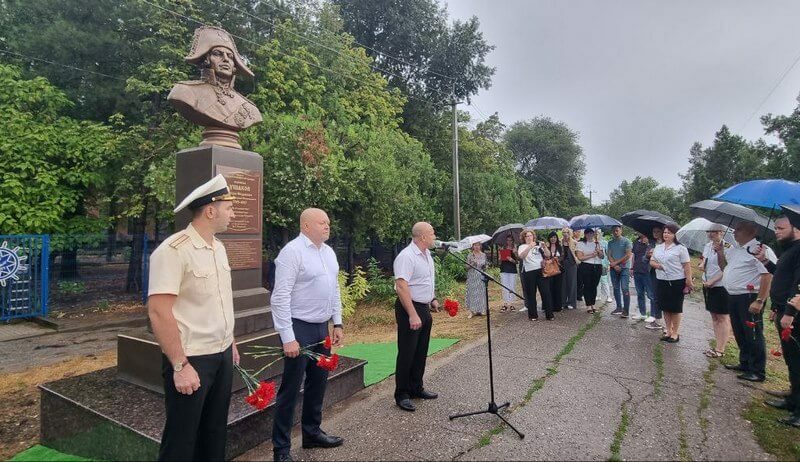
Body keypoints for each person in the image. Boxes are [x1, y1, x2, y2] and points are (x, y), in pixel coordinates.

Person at [147, 174, 239, 461]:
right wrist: (179, 365)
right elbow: (159, 311)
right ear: (211, 210)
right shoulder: (174, 250)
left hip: (221, 354)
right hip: (192, 359)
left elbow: (218, 301)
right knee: (182, 440)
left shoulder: (218, 247)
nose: (233, 214)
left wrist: (230, 342)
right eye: (229, 208)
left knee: (214, 434)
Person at [271, 208, 345, 461]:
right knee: (290, 389)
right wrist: (287, 336)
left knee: (318, 383)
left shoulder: (328, 252)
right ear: (305, 226)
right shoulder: (292, 253)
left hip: (320, 326)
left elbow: (334, 289)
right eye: (322, 222)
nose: (327, 226)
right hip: (298, 326)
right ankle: (281, 448)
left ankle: (312, 433)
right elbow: (280, 296)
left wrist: (338, 322)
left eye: (328, 222)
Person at [168, 26, 263, 148]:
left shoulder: (250, 108)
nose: (225, 59)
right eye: (217, 54)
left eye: (230, 56)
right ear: (206, 59)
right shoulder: (184, 92)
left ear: (234, 64)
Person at [755, 213, 800, 426]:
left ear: (796, 228)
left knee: (798, 361)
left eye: (781, 228)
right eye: (775, 228)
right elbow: (782, 276)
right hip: (784, 310)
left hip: (795, 315)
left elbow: (799, 284)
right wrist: (764, 260)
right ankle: (793, 399)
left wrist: (790, 312)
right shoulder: (790, 250)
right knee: (791, 360)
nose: (776, 231)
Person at [717, 221, 776, 382]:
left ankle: (757, 370)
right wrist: (721, 253)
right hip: (733, 295)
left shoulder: (761, 249)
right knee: (739, 330)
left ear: (752, 230)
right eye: (735, 229)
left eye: (739, 229)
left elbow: (767, 276)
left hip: (749, 296)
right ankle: (745, 362)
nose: (735, 232)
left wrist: (760, 300)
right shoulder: (736, 249)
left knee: (753, 333)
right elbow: (724, 268)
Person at [393, 222, 440, 412]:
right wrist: (412, 314)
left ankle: (416, 387)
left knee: (421, 351)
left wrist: (433, 298)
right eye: (432, 233)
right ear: (422, 237)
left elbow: (425, 281)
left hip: (424, 307)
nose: (434, 235)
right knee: (407, 352)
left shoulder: (427, 254)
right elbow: (401, 286)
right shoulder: (406, 256)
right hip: (409, 309)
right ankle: (402, 394)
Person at [650, 222, 693, 343]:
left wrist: (688, 280)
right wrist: (657, 265)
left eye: (669, 232)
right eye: (664, 232)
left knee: (675, 308)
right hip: (661, 280)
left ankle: (675, 332)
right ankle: (668, 330)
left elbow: (687, 265)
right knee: (665, 307)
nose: (666, 234)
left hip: (676, 281)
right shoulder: (658, 247)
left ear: (675, 234)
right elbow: (651, 261)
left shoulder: (680, 248)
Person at [699, 226, 731, 358]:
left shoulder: (728, 246)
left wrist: (713, 280)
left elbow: (728, 268)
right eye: (709, 231)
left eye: (714, 231)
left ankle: (721, 349)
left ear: (722, 232)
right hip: (707, 283)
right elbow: (706, 261)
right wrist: (702, 265)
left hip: (721, 285)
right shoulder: (707, 246)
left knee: (722, 317)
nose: (711, 234)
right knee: (714, 317)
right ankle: (717, 345)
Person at [519, 230, 554, 320]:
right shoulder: (522, 247)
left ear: (533, 237)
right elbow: (522, 256)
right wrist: (529, 247)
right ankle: (533, 315)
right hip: (529, 272)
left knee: (546, 292)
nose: (529, 238)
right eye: (527, 236)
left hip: (541, 270)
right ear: (524, 238)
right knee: (531, 294)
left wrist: (545, 247)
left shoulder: (538, 246)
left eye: (531, 236)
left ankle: (549, 314)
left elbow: (548, 255)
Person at [576, 227, 604, 314]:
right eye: (588, 234)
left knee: (594, 286)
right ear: (585, 235)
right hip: (586, 266)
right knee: (587, 285)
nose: (590, 235)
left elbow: (602, 257)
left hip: (597, 266)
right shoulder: (581, 244)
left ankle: (593, 304)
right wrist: (592, 255)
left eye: (591, 233)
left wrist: (599, 252)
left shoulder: (598, 243)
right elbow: (580, 257)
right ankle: (588, 305)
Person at [607, 225, 633, 318]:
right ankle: (619, 307)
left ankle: (626, 310)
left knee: (624, 288)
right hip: (614, 268)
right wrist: (613, 264)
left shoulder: (626, 241)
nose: (615, 232)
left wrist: (616, 263)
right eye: (613, 231)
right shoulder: (610, 242)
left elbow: (628, 255)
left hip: (624, 268)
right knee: (615, 288)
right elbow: (609, 254)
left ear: (621, 230)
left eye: (617, 230)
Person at [644, 226, 666, 331]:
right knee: (655, 296)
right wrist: (648, 255)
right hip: (653, 272)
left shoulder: (667, 244)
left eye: (658, 231)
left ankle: (666, 322)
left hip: (665, 272)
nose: (655, 233)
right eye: (654, 231)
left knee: (663, 296)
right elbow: (644, 259)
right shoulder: (651, 244)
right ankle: (657, 320)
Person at [631, 232, 654, 321]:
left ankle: (653, 315)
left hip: (647, 271)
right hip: (637, 270)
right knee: (640, 293)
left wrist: (648, 244)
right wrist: (632, 268)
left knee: (650, 294)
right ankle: (642, 313)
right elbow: (634, 256)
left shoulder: (652, 242)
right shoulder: (636, 242)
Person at [465, 242, 488, 318]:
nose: (477, 247)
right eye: (475, 245)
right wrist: (472, 264)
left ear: (480, 246)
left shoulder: (483, 255)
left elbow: (485, 266)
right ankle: (472, 311)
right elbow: (466, 267)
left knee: (480, 293)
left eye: (478, 245)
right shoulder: (470, 255)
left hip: (481, 276)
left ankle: (480, 310)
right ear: (473, 246)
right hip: (472, 276)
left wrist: (485, 266)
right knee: (472, 293)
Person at [498, 235, 520, 312]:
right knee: (504, 287)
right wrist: (500, 256)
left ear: (513, 241)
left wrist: (513, 258)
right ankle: (505, 304)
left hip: (512, 270)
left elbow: (517, 261)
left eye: (510, 240)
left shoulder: (514, 249)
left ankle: (512, 304)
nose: (509, 242)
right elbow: (500, 261)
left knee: (512, 287)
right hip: (504, 269)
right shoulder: (503, 249)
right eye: (507, 240)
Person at [545, 231, 565, 312]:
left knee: (558, 288)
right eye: (551, 237)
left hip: (558, 270)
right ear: (549, 238)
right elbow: (544, 256)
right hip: (549, 270)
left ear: (556, 238)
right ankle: (549, 306)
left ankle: (557, 306)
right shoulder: (546, 247)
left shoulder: (560, 247)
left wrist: (556, 259)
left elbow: (563, 257)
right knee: (549, 288)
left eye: (554, 237)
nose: (553, 239)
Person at [561, 227, 579, 310]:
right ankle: (563, 302)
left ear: (570, 233)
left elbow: (577, 254)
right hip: (562, 265)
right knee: (563, 284)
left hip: (572, 264)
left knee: (572, 283)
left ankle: (571, 302)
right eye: (564, 232)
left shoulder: (574, 242)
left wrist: (577, 260)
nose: (565, 234)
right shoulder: (560, 242)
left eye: (567, 232)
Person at [597, 230, 613, 304]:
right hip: (595, 264)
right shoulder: (592, 243)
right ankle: (598, 295)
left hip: (603, 264)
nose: (597, 235)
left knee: (604, 280)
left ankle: (608, 296)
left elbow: (608, 254)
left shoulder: (605, 243)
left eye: (598, 233)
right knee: (597, 281)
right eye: (595, 233)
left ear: (601, 234)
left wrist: (609, 264)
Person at [573, 229, 585, 303]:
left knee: (580, 279)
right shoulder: (570, 240)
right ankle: (573, 294)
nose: (577, 233)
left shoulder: (582, 240)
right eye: (576, 231)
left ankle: (579, 295)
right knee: (573, 279)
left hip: (581, 262)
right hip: (572, 262)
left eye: (579, 232)